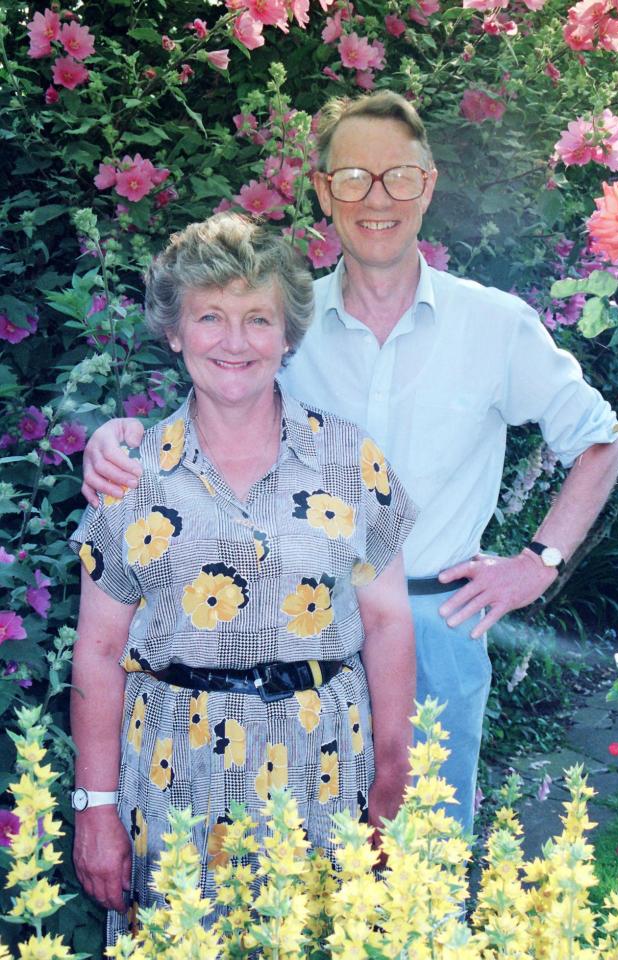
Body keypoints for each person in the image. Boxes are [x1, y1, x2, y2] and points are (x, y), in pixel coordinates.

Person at [81, 91, 618, 837]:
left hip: (434, 625)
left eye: (398, 176)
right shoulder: (284, 315)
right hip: (296, 637)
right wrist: (120, 439)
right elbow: (222, 393)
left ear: (427, 185)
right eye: (352, 178)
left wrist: (539, 560)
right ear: (322, 191)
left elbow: (599, 440)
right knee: (296, 874)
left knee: (417, 868)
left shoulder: (494, 326)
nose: (377, 199)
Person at [70, 213, 416, 945]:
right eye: (210, 317)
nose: (234, 342)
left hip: (324, 768)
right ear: (174, 332)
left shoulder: (349, 462)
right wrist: (94, 805)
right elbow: (98, 655)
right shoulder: (128, 474)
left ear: (287, 336)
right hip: (172, 777)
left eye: (258, 318)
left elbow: (386, 624)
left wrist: (394, 775)